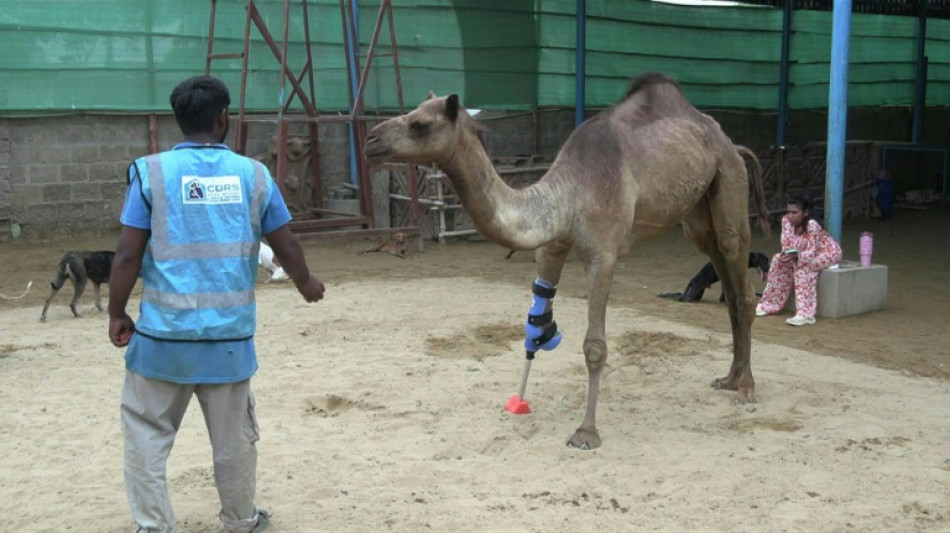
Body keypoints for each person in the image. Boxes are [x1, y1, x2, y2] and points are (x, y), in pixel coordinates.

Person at [108, 75, 326, 533]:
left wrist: (116, 311)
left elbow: (128, 253)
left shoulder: (150, 173)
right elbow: (285, 244)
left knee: (146, 435)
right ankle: (241, 520)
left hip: (161, 339)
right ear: (223, 117)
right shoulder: (255, 175)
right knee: (233, 442)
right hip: (228, 341)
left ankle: (153, 526)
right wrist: (305, 283)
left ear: (178, 120)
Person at [755, 195, 842, 326]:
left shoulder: (812, 225)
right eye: (788, 212)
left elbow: (812, 252)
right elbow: (786, 243)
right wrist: (788, 254)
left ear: (805, 212)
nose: (790, 215)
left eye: (795, 212)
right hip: (799, 254)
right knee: (778, 260)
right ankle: (770, 304)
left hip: (827, 253)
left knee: (806, 265)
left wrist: (798, 256)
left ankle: (806, 314)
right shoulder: (786, 221)